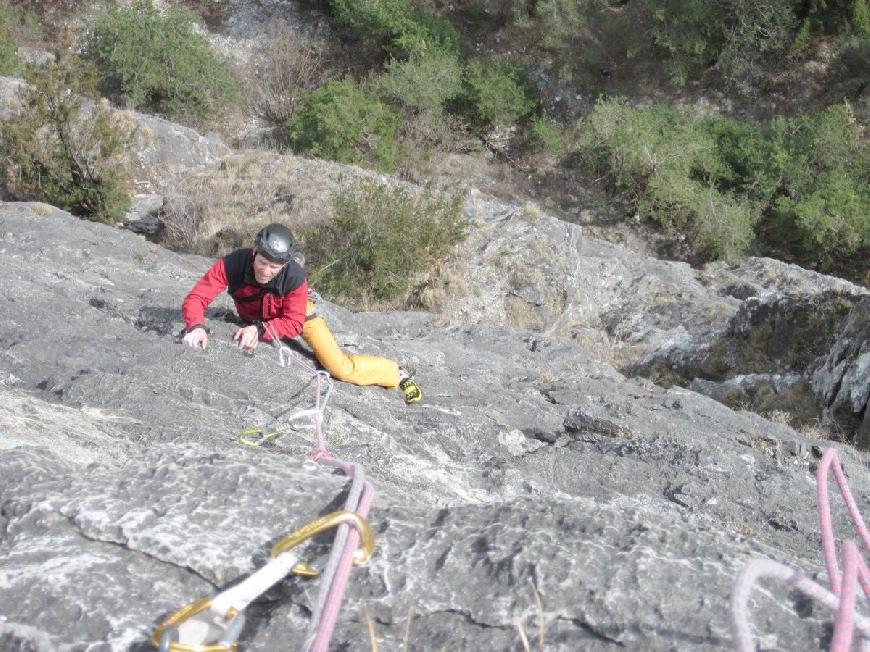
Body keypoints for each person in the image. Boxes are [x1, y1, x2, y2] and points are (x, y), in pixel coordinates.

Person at [181, 223, 422, 404]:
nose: (265, 271)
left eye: (274, 267)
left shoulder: (295, 277)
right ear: (254, 251)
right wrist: (196, 326)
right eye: (262, 262)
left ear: (285, 265)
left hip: (299, 316)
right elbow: (197, 297)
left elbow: (294, 323)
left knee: (339, 368)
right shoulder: (233, 264)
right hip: (257, 315)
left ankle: (396, 373)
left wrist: (261, 328)